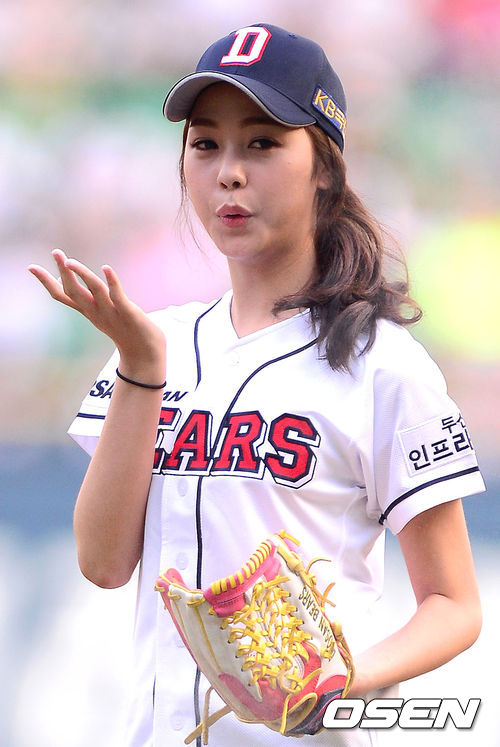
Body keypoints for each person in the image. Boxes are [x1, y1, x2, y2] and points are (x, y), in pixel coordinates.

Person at [29, 22, 485, 747]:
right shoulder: (155, 344)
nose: (229, 173)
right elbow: (103, 563)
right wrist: (140, 369)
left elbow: (455, 605)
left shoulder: (380, 364)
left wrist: (341, 679)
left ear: (325, 167)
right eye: (205, 144)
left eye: (263, 143)